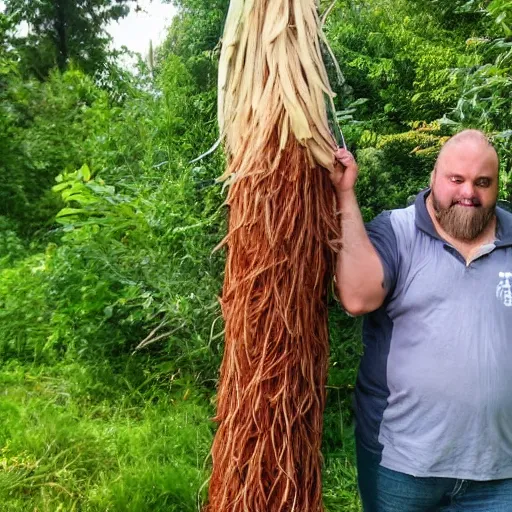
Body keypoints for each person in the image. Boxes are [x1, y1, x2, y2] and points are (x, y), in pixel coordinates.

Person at [332, 129, 512, 512]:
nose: (469, 193)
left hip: (500, 472)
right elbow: (358, 297)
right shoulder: (396, 231)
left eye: (483, 182)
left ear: (497, 185)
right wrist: (345, 194)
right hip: (402, 465)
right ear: (434, 176)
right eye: (456, 179)